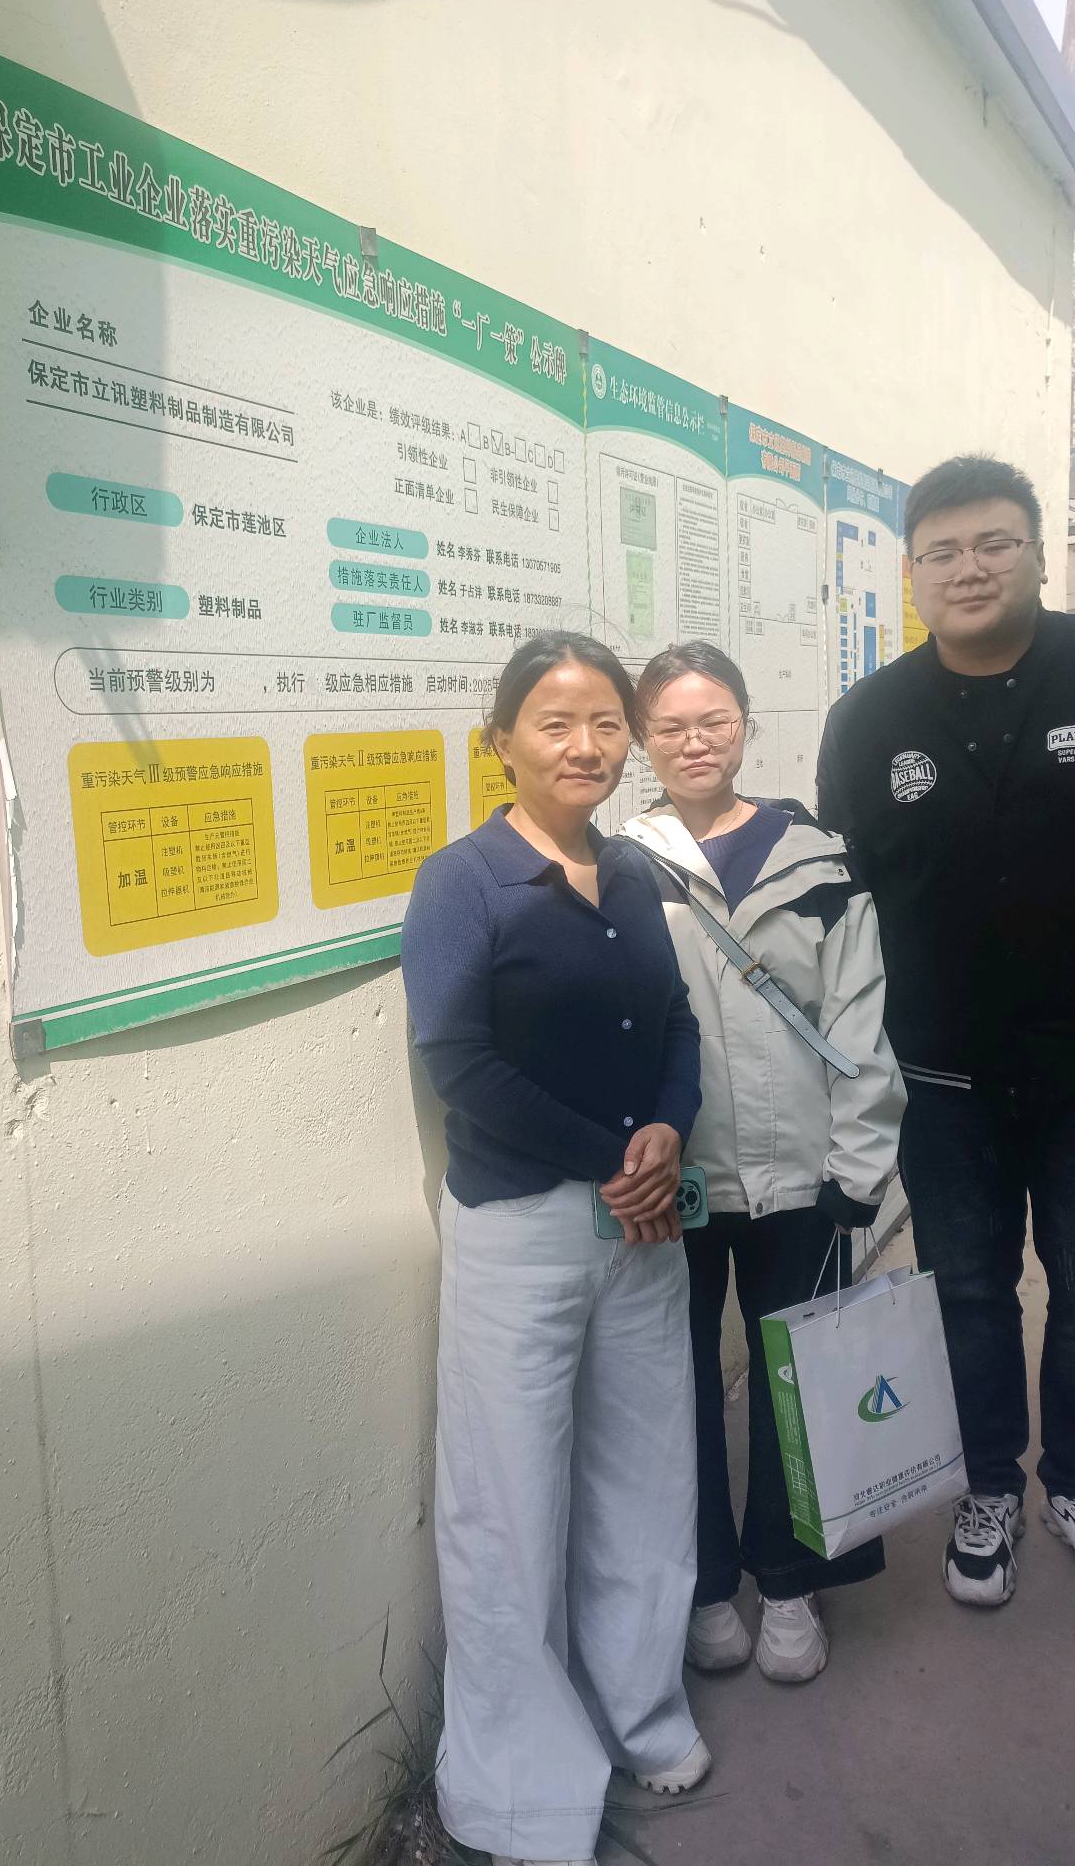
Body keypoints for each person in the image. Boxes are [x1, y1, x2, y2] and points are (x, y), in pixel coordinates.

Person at [401, 632, 711, 1866]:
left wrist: (669, 1131)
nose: (586, 746)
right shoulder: (462, 882)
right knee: (509, 1508)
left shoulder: (630, 872)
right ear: (501, 743)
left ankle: (643, 1715)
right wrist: (614, 1156)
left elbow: (677, 1023)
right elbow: (459, 1064)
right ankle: (519, 1791)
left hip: (643, 1222)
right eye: (554, 722)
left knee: (647, 1477)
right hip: (524, 1230)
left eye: (605, 723)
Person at [817, 454, 1075, 1607]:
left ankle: (1072, 1471)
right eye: (944, 552)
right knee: (967, 1290)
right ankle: (989, 1486)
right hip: (942, 1076)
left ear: (1038, 554)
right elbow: (840, 896)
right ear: (913, 574)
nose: (971, 568)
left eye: (995, 543)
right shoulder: (868, 719)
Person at [620, 642, 905, 1684]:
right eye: (670, 726)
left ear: (746, 724)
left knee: (799, 1383)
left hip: (801, 1177)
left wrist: (859, 1167)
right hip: (676, 1183)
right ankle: (706, 1586)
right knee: (678, 1390)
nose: (695, 742)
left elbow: (859, 1020)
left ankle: (787, 1585)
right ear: (643, 739)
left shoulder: (818, 860)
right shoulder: (619, 863)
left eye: (715, 721)